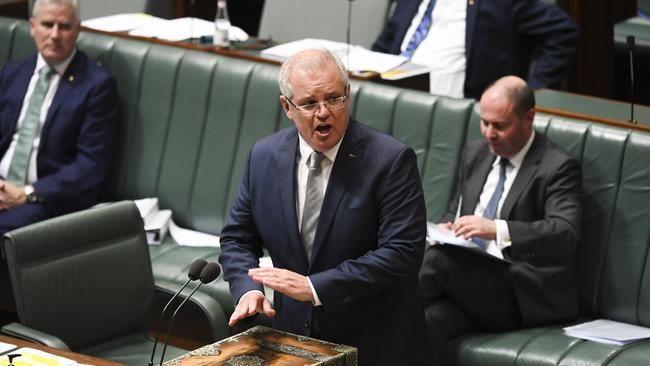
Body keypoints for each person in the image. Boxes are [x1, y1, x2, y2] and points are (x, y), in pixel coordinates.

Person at [219, 48, 434, 365]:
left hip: (376, 342)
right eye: (308, 103)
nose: (323, 112)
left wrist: (315, 287)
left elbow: (402, 252)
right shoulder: (263, 157)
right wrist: (248, 289)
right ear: (287, 107)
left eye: (334, 99)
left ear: (348, 94)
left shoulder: (390, 160)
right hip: (297, 340)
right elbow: (237, 238)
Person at [418, 76, 583, 363]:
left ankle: (372, 311)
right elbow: (456, 211)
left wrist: (496, 229)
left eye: (500, 126)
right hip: (470, 286)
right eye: (484, 122)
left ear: (528, 118)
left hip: (520, 291)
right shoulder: (476, 152)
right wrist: (446, 228)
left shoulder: (557, 166)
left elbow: (565, 232)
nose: (489, 133)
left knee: (436, 262)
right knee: (428, 320)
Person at [0, 0, 118, 235]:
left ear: (77, 30)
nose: (54, 35)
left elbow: (91, 166)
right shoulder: (14, 72)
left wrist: (26, 193)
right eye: (47, 24)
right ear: (33, 26)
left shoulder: (97, 85)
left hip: (47, 199)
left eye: (64, 26)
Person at [372, 0, 580, 99]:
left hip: (453, 108)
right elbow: (386, 43)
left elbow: (564, 32)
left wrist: (530, 93)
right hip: (391, 98)